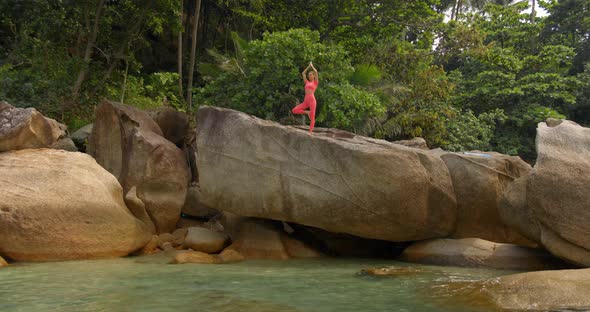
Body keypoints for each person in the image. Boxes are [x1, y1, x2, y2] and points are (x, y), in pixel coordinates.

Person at [292, 61, 319, 134]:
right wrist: (308, 67)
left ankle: (310, 132)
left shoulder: (315, 82)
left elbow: (316, 72)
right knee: (294, 110)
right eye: (309, 75)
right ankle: (307, 112)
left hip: (312, 101)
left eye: (311, 75)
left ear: (313, 76)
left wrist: (312, 66)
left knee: (312, 117)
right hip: (306, 101)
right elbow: (303, 73)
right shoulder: (307, 82)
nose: (309, 76)